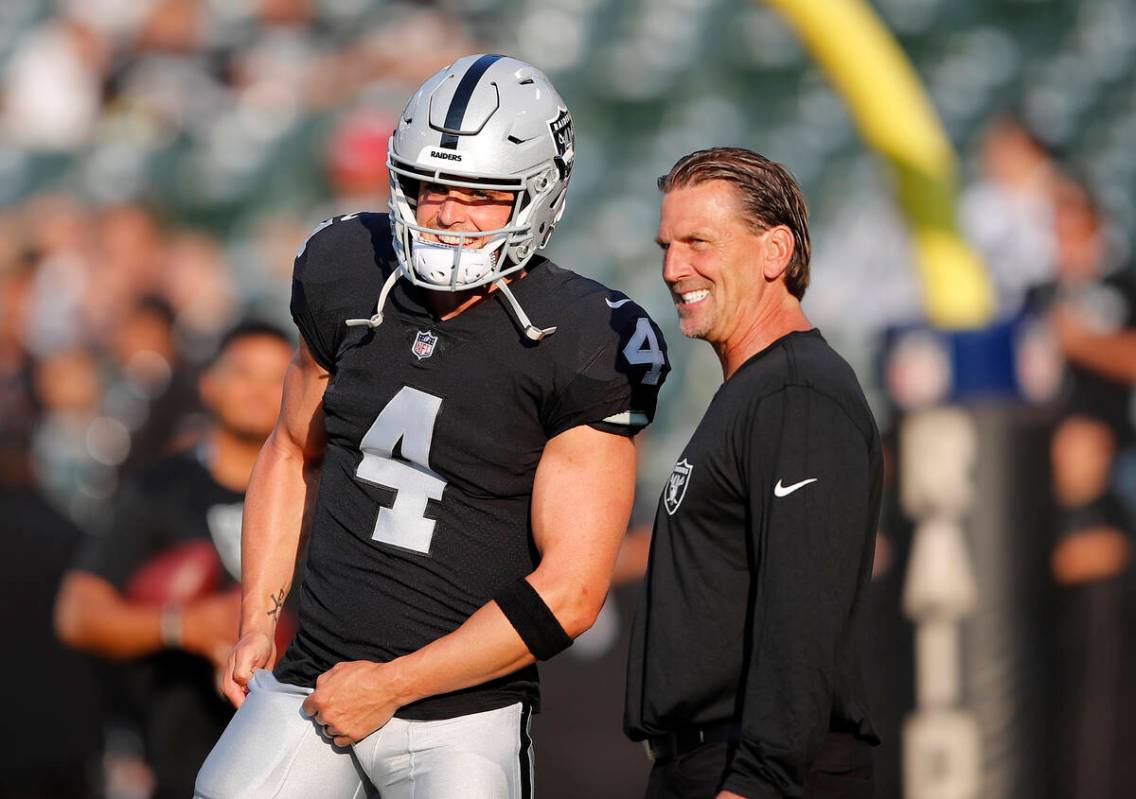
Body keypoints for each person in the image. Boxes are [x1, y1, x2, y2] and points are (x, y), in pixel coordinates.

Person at [195, 53, 668, 799]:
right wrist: (259, 617)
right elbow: (292, 450)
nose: (447, 213)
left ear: (538, 195)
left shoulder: (581, 337)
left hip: (463, 712)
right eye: (428, 187)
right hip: (314, 677)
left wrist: (391, 683)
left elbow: (572, 591)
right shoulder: (347, 268)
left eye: (479, 194)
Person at [625, 147, 881, 799]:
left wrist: (757, 780)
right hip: (713, 764)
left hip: (759, 772)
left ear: (775, 252)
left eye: (698, 242)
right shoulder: (756, 392)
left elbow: (801, 613)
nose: (673, 268)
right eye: (667, 245)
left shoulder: (799, 393)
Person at [54, 321, 294, 799]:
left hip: (295, 759)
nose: (259, 392)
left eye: (277, 379)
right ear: (210, 383)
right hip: (183, 758)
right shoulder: (160, 488)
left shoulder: (324, 491)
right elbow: (77, 614)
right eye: (244, 372)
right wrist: (182, 625)